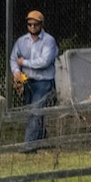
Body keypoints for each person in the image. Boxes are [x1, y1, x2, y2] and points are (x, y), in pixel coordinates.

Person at [11, 9, 58, 148]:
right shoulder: (21, 41)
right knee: (34, 113)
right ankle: (42, 141)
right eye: (29, 24)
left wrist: (24, 63)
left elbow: (44, 62)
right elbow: (13, 58)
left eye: (35, 25)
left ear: (41, 24)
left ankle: (28, 146)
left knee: (35, 111)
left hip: (43, 82)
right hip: (27, 82)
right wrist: (16, 72)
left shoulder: (49, 41)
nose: (32, 27)